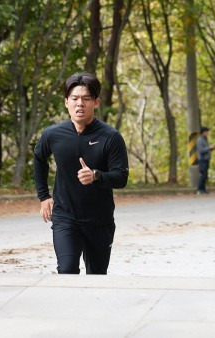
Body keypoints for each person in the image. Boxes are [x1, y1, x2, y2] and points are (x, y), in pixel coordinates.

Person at [33, 72, 129, 275]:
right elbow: (39, 160)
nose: (80, 104)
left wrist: (96, 175)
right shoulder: (53, 134)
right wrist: (44, 196)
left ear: (96, 102)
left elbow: (121, 178)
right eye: (75, 99)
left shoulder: (110, 137)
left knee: (96, 277)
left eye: (86, 99)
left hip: (99, 220)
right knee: (66, 271)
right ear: (66, 102)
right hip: (65, 217)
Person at [196, 126, 215, 194]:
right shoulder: (200, 140)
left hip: (206, 159)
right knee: (203, 175)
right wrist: (209, 147)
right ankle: (199, 189)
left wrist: (212, 148)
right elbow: (201, 150)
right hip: (202, 159)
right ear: (203, 132)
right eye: (206, 132)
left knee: (205, 175)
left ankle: (203, 189)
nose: (207, 133)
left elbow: (206, 149)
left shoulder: (205, 139)